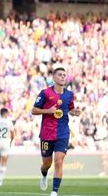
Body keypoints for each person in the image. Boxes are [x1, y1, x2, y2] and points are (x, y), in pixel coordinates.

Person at [32, 67, 81, 196]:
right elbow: (34, 110)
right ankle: (44, 175)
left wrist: (74, 112)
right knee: (46, 164)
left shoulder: (69, 95)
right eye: (60, 75)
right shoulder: (45, 93)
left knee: (59, 161)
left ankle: (54, 192)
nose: (63, 77)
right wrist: (48, 111)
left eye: (64, 75)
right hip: (46, 134)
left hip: (62, 133)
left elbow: (70, 109)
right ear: (53, 77)